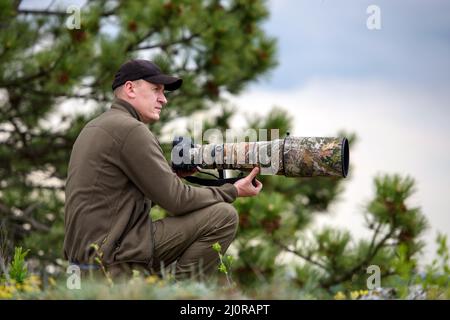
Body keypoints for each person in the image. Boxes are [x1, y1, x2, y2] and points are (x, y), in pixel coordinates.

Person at [63, 59, 263, 279]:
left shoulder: (95, 127)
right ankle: (184, 296)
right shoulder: (131, 130)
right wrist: (233, 190)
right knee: (223, 216)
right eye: (156, 89)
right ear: (130, 89)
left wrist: (169, 173)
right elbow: (177, 201)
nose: (164, 99)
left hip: (84, 264)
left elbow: (119, 196)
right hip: (113, 260)